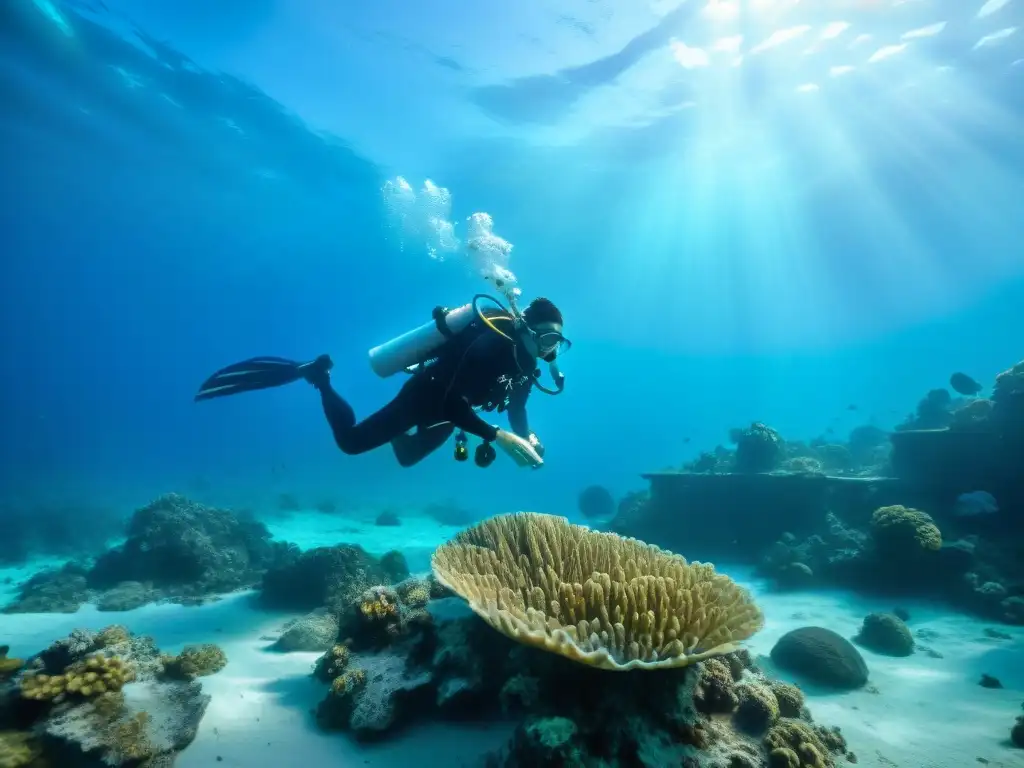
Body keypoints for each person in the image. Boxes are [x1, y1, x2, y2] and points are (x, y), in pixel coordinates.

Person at [194, 297, 569, 469]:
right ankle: (320, 377)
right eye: (549, 339)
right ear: (524, 328)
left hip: (456, 414)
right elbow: (451, 400)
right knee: (351, 443)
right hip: (427, 397)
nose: (552, 350)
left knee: (407, 457)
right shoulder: (489, 344)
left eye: (559, 343)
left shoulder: (525, 363)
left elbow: (517, 407)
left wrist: (528, 435)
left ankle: (396, 434)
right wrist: (499, 437)